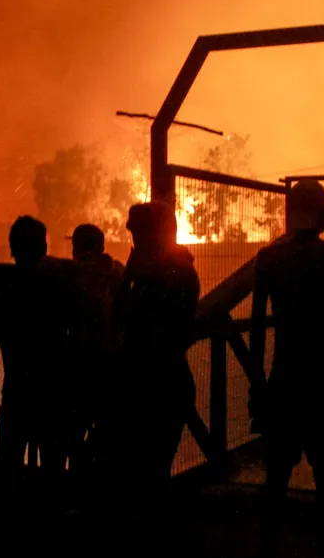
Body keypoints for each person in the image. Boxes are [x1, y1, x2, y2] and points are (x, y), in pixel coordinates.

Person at [248, 179, 324, 556]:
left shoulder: (268, 259)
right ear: (323, 210)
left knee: (276, 475)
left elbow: (258, 331)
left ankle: (268, 547)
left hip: (284, 377)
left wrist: (257, 384)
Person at [96, 201, 199, 551]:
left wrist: (134, 275)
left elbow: (126, 316)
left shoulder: (166, 273)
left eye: (139, 231)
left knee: (144, 472)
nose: (134, 238)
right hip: (159, 382)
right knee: (149, 471)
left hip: (153, 382)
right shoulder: (173, 269)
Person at [0, 216, 81, 499]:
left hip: (18, 386)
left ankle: (9, 522)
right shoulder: (59, 283)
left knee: (9, 459)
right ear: (44, 247)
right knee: (52, 464)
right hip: (54, 386)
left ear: (11, 248)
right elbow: (78, 319)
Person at [64, 223, 124, 474]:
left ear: (76, 246)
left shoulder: (68, 272)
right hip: (111, 364)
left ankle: (77, 486)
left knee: (73, 433)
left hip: (78, 364)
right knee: (108, 429)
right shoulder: (118, 272)